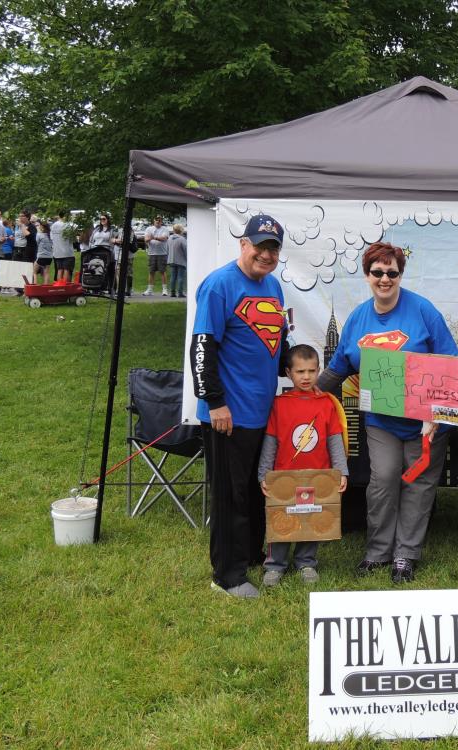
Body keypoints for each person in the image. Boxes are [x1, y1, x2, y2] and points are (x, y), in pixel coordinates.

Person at [317, 241, 457, 584]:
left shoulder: (423, 311)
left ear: (400, 275)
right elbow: (338, 367)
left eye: (391, 273)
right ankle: (378, 552)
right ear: (367, 275)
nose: (384, 279)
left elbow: (450, 364)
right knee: (383, 480)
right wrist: (307, 396)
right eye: (377, 272)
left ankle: (405, 555)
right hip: (381, 421)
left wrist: (437, 415)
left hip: (426, 423)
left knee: (418, 485)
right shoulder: (358, 318)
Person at [191, 213, 288, 601]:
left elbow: (276, 341)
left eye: (273, 249)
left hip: (261, 411)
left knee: (252, 489)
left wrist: (296, 374)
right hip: (227, 414)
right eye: (259, 246)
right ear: (243, 244)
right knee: (229, 495)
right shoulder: (219, 285)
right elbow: (202, 346)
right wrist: (215, 402)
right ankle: (227, 575)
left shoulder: (274, 286)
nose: (266, 255)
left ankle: (249, 555)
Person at [257, 344, 349, 587]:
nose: (306, 377)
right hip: (284, 476)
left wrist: (341, 471)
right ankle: (274, 565)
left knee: (310, 516)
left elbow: (334, 440)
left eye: (311, 371)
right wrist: (263, 474)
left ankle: (306, 562)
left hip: (317, 476)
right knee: (281, 517)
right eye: (300, 372)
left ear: (319, 370)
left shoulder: (326, 403)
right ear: (289, 373)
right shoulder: (279, 404)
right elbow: (270, 441)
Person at [143, 216, 170, 296]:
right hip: (152, 253)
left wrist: (153, 237)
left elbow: (164, 238)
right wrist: (153, 238)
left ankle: (164, 290)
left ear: (161, 221)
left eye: (159, 220)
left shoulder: (165, 229)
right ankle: (150, 290)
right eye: (156, 220)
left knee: (162, 271)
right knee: (151, 272)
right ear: (154, 221)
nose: (158, 222)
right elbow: (146, 239)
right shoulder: (149, 229)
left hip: (162, 253)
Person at [51, 210, 75, 283]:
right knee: (66, 270)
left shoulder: (53, 225)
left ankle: (59, 285)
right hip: (67, 252)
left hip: (57, 252)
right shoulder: (67, 225)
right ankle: (65, 286)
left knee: (59, 269)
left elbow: (52, 238)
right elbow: (72, 238)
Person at [167, 223, 187, 297]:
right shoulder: (182, 239)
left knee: (173, 276)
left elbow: (167, 248)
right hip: (181, 260)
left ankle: (172, 292)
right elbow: (185, 250)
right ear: (181, 230)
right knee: (180, 277)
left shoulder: (170, 238)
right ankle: (180, 293)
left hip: (171, 259)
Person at [34, 220, 53, 285]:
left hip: (41, 256)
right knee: (46, 272)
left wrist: (38, 231)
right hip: (49, 257)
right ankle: (46, 286)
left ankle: (35, 286)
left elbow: (36, 243)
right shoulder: (50, 235)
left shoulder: (39, 235)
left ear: (42, 227)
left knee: (35, 272)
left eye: (39, 226)